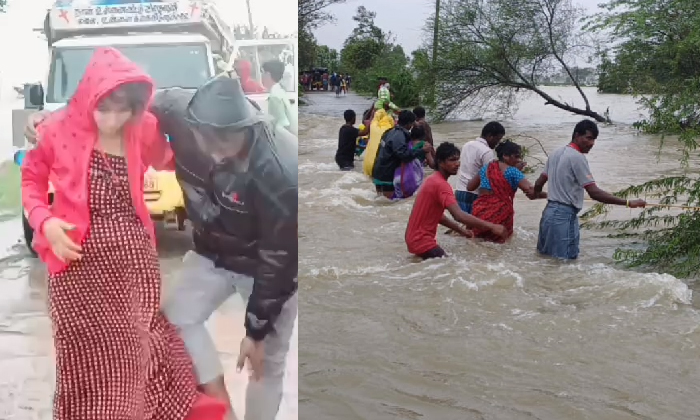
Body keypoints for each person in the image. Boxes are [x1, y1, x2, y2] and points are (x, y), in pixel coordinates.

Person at [25, 76, 298, 420]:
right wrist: (57, 117)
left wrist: (256, 330)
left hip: (265, 266)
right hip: (212, 252)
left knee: (265, 362)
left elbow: (281, 258)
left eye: (228, 146)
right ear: (192, 125)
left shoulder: (281, 169)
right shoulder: (178, 109)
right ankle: (222, 407)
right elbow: (115, 93)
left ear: (247, 128)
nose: (216, 154)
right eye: (209, 144)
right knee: (174, 321)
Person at [20, 48, 226, 420]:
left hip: (133, 264)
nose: (113, 119)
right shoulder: (56, 129)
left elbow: (171, 157)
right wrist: (45, 222)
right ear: (88, 97)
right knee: (81, 359)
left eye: (124, 108)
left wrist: (215, 151)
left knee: (138, 352)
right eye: (105, 107)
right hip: (74, 267)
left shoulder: (142, 127)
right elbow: (32, 180)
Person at [533, 119, 646, 259]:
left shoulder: (555, 153)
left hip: (548, 214)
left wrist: (537, 193)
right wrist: (628, 203)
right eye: (589, 138)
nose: (592, 143)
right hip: (564, 216)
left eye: (594, 139)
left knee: (546, 259)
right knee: (565, 262)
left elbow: (539, 183)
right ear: (576, 135)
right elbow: (594, 193)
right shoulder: (577, 157)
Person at [405, 142, 508, 259]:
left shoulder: (432, 179)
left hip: (413, 239)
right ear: (440, 162)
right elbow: (459, 215)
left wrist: (461, 231)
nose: (457, 164)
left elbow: (438, 216)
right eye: (452, 160)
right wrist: (492, 226)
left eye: (457, 160)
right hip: (422, 242)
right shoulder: (441, 185)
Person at [466, 140, 547, 243]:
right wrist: (549, 195)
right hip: (500, 215)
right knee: (499, 247)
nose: (519, 160)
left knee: (479, 242)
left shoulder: (486, 167)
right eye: (516, 156)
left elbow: (470, 187)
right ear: (505, 156)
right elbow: (532, 193)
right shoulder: (513, 172)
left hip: (479, 213)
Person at [372, 110, 433, 199]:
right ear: (409, 124)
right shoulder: (400, 135)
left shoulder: (389, 131)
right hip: (387, 175)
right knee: (389, 205)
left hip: (378, 173)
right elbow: (404, 155)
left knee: (381, 202)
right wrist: (422, 150)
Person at [454, 121, 506, 213]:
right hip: (474, 193)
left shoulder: (467, 145)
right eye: (497, 139)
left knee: (463, 223)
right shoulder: (487, 152)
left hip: (459, 190)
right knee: (475, 224)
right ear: (490, 136)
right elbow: (489, 176)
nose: (497, 143)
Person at [392, 125, 435, 199]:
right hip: (414, 178)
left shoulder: (405, 143)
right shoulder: (425, 145)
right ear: (424, 135)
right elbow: (432, 164)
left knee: (399, 200)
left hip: (399, 177)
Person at [262, 59, 297, 136]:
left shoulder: (274, 96)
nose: (261, 75)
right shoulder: (279, 90)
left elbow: (281, 126)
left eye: (262, 72)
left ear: (267, 74)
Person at [362, 100, 395, 177]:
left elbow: (370, 118)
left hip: (368, 165)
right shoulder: (391, 129)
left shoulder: (373, 126)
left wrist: (374, 107)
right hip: (382, 166)